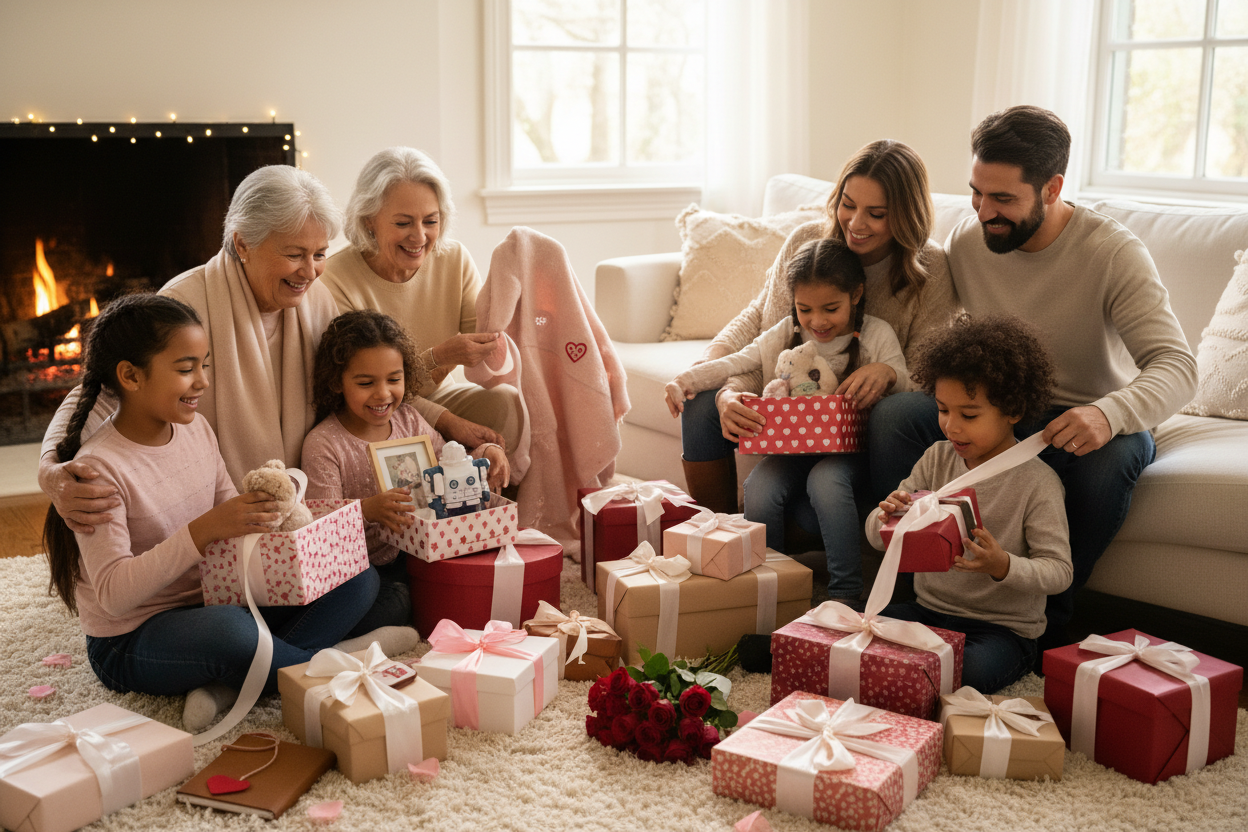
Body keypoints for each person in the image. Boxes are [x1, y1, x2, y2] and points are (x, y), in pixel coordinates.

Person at [867, 106, 1197, 652]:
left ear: (1052, 187)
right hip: (1003, 407)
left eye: (1002, 199)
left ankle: (1044, 626)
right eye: (976, 192)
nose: (983, 211)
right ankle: (914, 586)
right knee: (896, 416)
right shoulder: (970, 241)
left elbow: (1178, 366)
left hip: (1086, 420)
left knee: (1111, 461)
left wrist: (1107, 414)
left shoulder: (1113, 253)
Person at [40, 293, 392, 733]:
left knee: (358, 575)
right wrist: (206, 530)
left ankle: (232, 682)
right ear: (130, 376)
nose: (203, 381)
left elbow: (230, 511)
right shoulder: (96, 472)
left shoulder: (196, 428)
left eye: (204, 365)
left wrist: (272, 520)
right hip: (133, 638)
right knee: (231, 633)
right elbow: (113, 594)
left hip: (216, 599)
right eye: (186, 369)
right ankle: (342, 664)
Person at [39, 165, 346, 532]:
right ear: (242, 243)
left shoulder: (320, 302)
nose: (309, 272)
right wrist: (50, 470)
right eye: (295, 254)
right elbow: (98, 390)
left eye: (320, 254)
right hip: (205, 516)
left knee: (363, 579)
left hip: (298, 503)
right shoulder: (184, 304)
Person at [669, 139, 959, 514]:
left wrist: (886, 372)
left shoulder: (930, 269)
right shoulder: (808, 241)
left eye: (876, 213)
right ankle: (717, 536)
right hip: (795, 412)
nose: (855, 224)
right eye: (848, 205)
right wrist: (726, 388)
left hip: (861, 429)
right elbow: (771, 333)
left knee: (806, 516)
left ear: (906, 215)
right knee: (701, 401)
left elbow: (930, 378)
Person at [666, 238, 907, 606]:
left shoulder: (875, 333)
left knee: (826, 481)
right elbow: (738, 361)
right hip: (792, 450)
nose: (817, 321)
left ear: (856, 294)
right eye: (804, 309)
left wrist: (886, 371)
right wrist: (686, 381)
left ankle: (846, 594)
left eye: (830, 308)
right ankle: (773, 589)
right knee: (759, 488)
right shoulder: (786, 333)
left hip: (850, 453)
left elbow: (908, 382)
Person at [866, 314, 1072, 692]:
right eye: (943, 409)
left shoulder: (1038, 483)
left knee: (967, 673)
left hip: (1002, 631)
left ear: (1013, 410)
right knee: (860, 639)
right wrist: (886, 518)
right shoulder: (936, 458)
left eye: (969, 415)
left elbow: (1059, 572)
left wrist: (1002, 565)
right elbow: (878, 540)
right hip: (928, 612)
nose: (951, 426)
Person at [302, 310, 509, 636]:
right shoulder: (324, 443)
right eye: (366, 383)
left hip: (418, 553)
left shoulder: (409, 420)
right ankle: (351, 641)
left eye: (394, 380)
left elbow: (450, 464)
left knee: (468, 570)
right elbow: (319, 526)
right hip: (363, 569)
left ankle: (401, 619)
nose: (383, 394)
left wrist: (487, 455)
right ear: (336, 381)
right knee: (394, 598)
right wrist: (368, 509)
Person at [319, 147, 522, 462]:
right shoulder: (335, 278)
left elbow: (487, 351)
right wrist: (440, 363)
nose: (419, 236)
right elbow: (367, 389)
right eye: (403, 223)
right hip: (373, 408)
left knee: (507, 401)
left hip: (437, 395)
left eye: (431, 220)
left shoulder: (454, 259)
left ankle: (495, 501)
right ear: (369, 220)